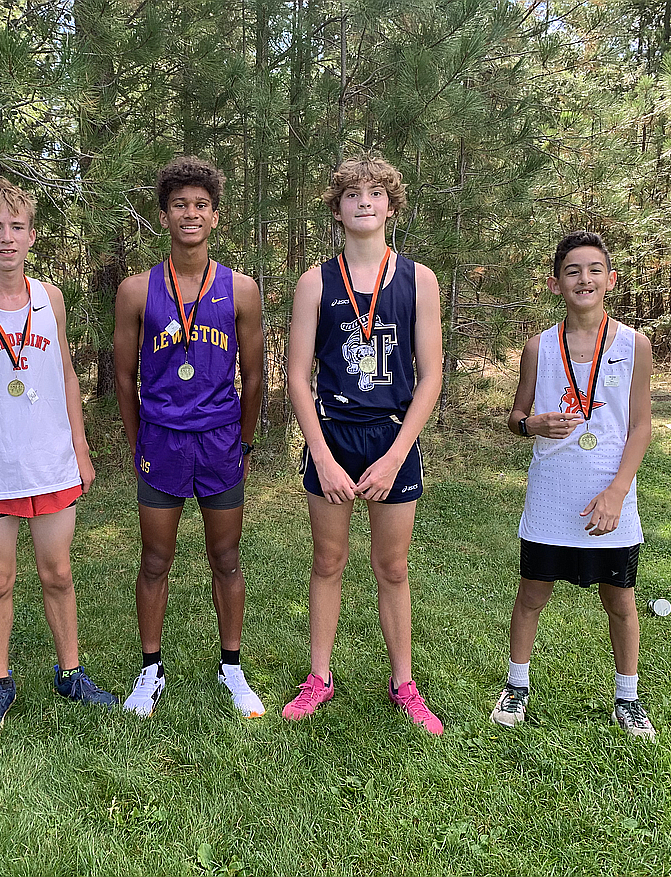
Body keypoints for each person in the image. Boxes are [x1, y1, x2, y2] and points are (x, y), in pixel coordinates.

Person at [0, 178, 117, 732]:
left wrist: (81, 447)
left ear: (32, 236)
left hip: (49, 459)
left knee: (58, 572)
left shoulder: (50, 298)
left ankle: (70, 672)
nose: (6, 238)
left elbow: (64, 372)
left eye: (16, 227)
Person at [282, 155, 444, 734]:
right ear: (337, 208)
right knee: (328, 560)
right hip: (333, 436)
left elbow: (431, 375)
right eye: (353, 194)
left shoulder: (418, 279)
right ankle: (318, 678)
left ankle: (404, 683)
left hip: (392, 436)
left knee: (392, 567)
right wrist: (321, 455)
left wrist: (397, 454)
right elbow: (297, 377)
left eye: (377, 193)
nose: (366, 202)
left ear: (392, 206)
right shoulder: (314, 283)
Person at [113, 156, 266, 718]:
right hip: (163, 442)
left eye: (200, 205)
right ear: (163, 216)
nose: (190, 214)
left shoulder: (241, 289)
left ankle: (232, 668)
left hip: (220, 442)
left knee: (226, 557)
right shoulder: (136, 291)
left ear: (216, 216)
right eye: (179, 205)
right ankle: (150, 670)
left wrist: (242, 442)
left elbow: (256, 377)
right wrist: (140, 443)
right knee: (156, 560)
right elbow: (125, 378)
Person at [490, 230, 656, 737]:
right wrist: (532, 425)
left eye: (594, 269)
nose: (584, 279)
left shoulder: (634, 344)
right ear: (555, 283)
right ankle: (516, 687)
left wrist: (617, 491)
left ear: (609, 279)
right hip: (552, 494)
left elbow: (640, 426)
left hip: (610, 495)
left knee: (620, 600)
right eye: (572, 271)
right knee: (532, 596)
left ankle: (627, 698)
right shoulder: (538, 347)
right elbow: (515, 417)